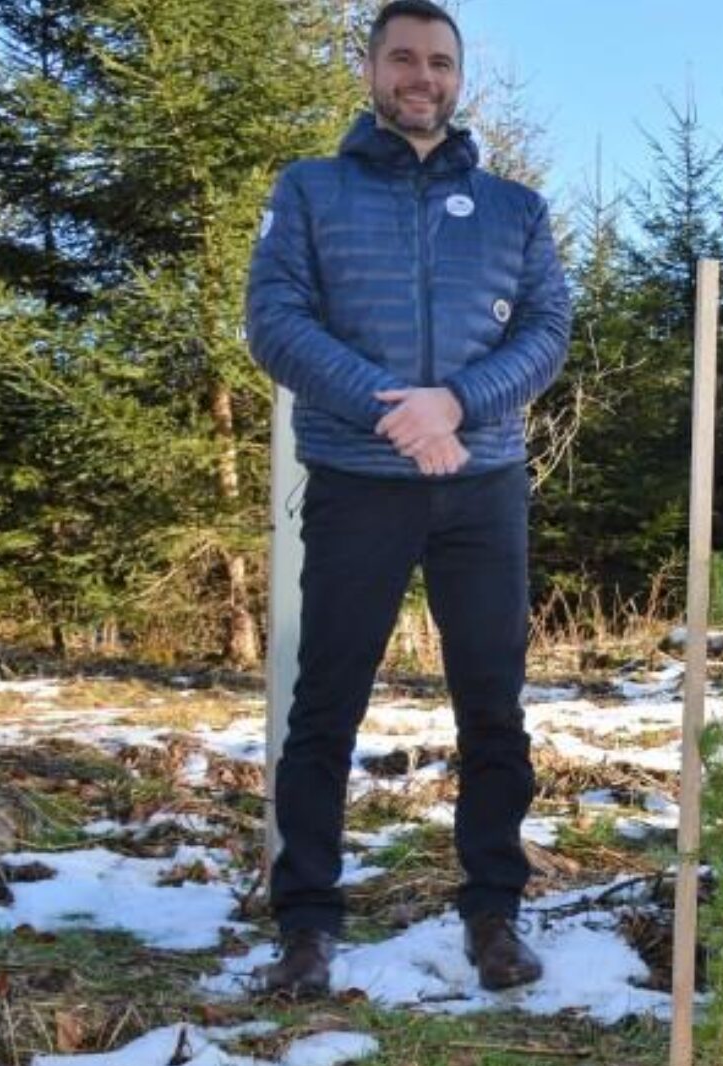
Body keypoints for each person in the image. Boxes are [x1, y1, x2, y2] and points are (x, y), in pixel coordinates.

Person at [245, 0, 572, 997]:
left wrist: (456, 404)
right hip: (357, 482)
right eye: (402, 59)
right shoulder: (309, 191)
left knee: (492, 705)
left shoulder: (515, 209)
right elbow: (275, 321)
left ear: (457, 77)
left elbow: (547, 330)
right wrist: (395, 411)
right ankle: (305, 918)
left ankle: (495, 910)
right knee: (325, 705)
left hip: (483, 489)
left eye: (438, 61)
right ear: (371, 71)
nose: (420, 76)